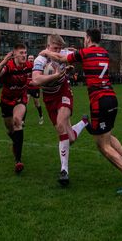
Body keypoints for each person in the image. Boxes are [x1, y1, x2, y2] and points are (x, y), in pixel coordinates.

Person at [41, 28, 122, 194]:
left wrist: (45, 51)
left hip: (99, 101)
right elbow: (81, 57)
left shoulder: (86, 52)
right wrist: (76, 52)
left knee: (103, 145)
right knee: (108, 136)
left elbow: (60, 57)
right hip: (111, 98)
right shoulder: (103, 52)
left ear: (88, 38)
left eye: (84, 38)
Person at [32, 34, 88, 187]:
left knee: (60, 123)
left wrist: (69, 64)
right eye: (55, 48)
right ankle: (84, 122)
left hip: (63, 91)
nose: (58, 51)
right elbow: (36, 80)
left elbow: (79, 56)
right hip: (49, 98)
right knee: (71, 138)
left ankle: (64, 170)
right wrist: (55, 75)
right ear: (48, 46)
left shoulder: (63, 54)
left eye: (60, 48)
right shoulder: (40, 60)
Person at [0, 44, 33, 173]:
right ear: (14, 54)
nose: (24, 55)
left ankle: (18, 160)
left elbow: (40, 69)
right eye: (21, 52)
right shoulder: (9, 66)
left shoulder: (28, 66)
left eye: (25, 52)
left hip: (20, 99)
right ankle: (15, 140)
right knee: (10, 129)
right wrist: (4, 60)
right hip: (6, 101)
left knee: (17, 121)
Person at [26, 55, 44, 125]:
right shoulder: (25, 66)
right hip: (27, 88)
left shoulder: (36, 66)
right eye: (29, 58)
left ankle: (41, 116)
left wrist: (35, 82)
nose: (30, 59)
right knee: (25, 103)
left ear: (34, 59)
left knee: (36, 103)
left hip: (35, 88)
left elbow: (40, 76)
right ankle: (22, 121)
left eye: (32, 58)